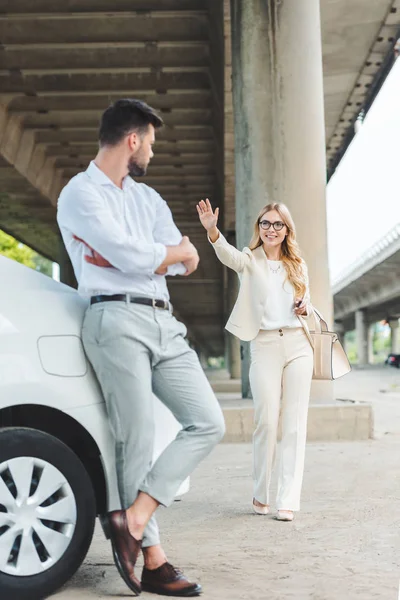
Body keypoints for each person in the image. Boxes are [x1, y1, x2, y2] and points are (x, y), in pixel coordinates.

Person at [57, 99, 225, 597]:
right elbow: (132, 255)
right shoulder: (79, 194)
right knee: (137, 436)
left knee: (208, 421)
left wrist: (161, 256)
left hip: (163, 322)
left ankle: (133, 517)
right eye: (150, 141)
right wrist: (160, 255)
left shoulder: (147, 199)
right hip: (113, 318)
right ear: (133, 139)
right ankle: (154, 558)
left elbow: (185, 258)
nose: (152, 150)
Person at [197, 199, 314, 522]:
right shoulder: (250, 260)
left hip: (298, 345)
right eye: (266, 223)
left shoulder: (298, 264)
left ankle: (287, 499)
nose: (271, 229)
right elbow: (228, 256)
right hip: (264, 344)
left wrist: (304, 305)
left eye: (278, 224)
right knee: (267, 420)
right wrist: (213, 231)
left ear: (286, 229)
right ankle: (261, 492)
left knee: (293, 424)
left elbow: (307, 301)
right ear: (259, 228)